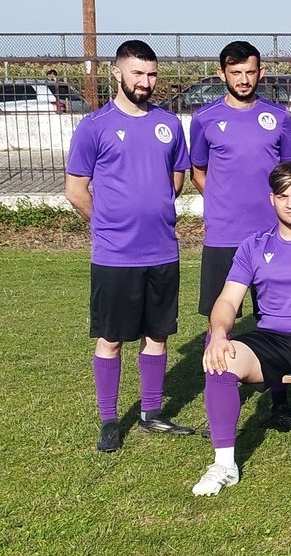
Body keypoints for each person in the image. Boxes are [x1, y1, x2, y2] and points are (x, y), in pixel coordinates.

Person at [63, 39, 196, 452]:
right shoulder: (94, 126)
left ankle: (151, 413)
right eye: (137, 73)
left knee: (158, 335)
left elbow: (176, 179)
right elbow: (75, 190)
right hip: (115, 256)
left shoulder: (168, 124)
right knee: (112, 338)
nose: (145, 82)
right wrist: (108, 224)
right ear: (117, 73)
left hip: (162, 250)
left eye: (152, 74)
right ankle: (108, 419)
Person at [193, 162, 291, 496]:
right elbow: (227, 301)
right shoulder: (254, 245)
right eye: (283, 197)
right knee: (221, 361)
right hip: (270, 336)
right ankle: (224, 464)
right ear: (272, 200)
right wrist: (219, 335)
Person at [188, 41, 291, 431]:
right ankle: (218, 405)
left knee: (273, 319)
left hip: (273, 236)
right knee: (221, 320)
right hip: (224, 236)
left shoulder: (278, 118)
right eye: (235, 73)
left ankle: (280, 405)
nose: (243, 79)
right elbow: (198, 171)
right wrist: (223, 204)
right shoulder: (204, 118)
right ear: (222, 74)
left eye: (250, 72)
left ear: (260, 72)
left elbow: (289, 175)